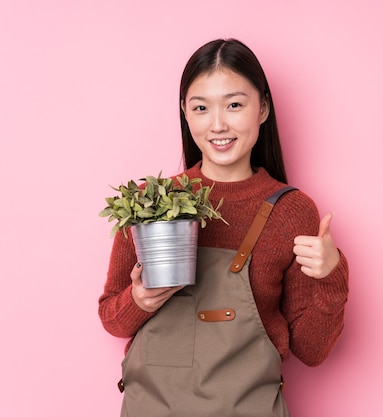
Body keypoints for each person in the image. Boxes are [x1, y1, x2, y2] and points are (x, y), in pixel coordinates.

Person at [98, 38, 349, 417]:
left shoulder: (292, 212)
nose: (218, 125)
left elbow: (312, 353)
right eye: (201, 108)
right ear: (185, 112)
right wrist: (138, 302)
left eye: (234, 105)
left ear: (262, 108)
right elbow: (111, 317)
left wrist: (330, 275)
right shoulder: (150, 205)